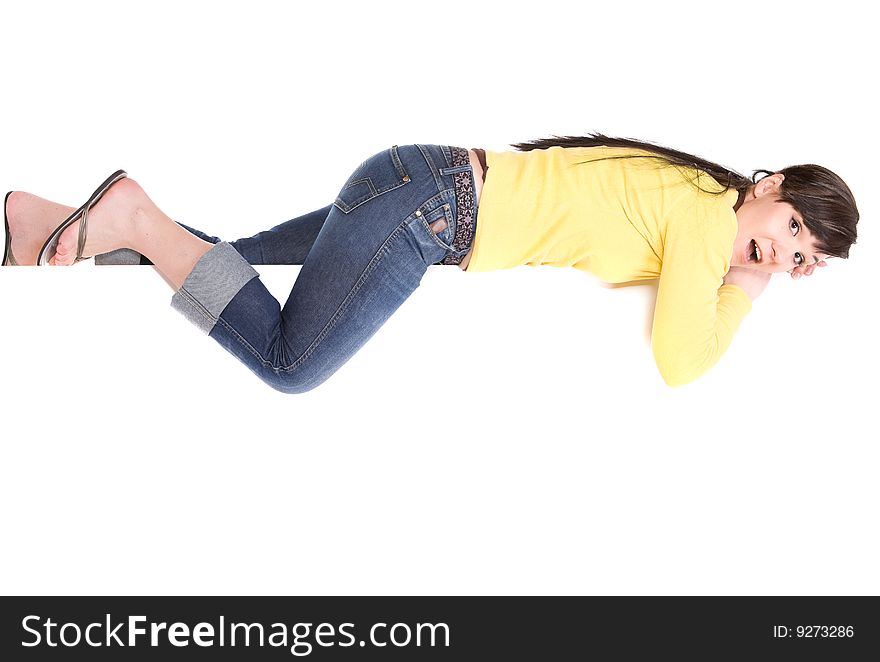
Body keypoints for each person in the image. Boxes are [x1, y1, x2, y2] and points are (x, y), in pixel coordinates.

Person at [1, 135, 859, 390]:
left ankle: (47, 223)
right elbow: (681, 360)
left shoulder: (692, 185)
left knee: (232, 262)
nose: (777, 251)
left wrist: (764, 260)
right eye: (789, 226)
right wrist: (748, 286)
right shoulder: (709, 230)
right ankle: (134, 218)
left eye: (798, 256)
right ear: (770, 183)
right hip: (428, 213)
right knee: (291, 362)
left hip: (419, 184)